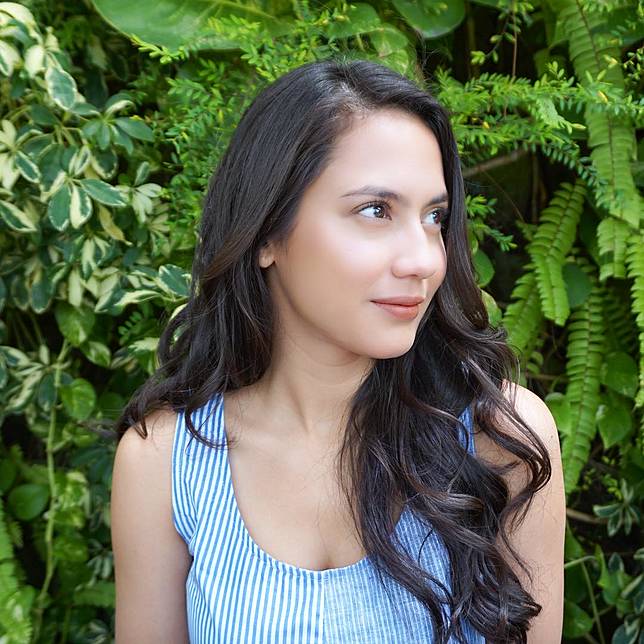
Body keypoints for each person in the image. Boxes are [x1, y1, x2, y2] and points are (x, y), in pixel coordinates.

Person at [110, 57, 565, 643]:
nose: (422, 259)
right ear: (267, 233)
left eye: (435, 217)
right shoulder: (166, 462)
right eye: (375, 211)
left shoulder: (501, 440)